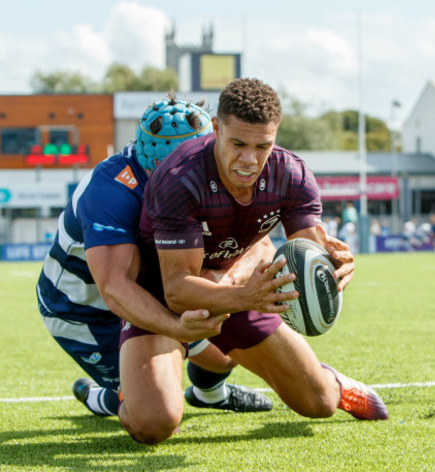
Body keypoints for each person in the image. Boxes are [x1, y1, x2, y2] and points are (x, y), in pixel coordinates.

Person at [119, 78, 388, 445]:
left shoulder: (291, 174)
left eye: (263, 146)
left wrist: (334, 265)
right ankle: (126, 395)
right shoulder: (180, 177)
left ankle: (335, 383)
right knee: (153, 424)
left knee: (319, 403)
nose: (249, 159)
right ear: (216, 129)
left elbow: (308, 252)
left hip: (242, 292)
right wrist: (244, 295)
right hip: (163, 298)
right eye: (238, 144)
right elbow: (178, 290)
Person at [35, 94, 272, 418]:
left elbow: (257, 242)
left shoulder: (217, 171)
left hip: (152, 288)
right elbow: (115, 287)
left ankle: (210, 394)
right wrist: (177, 330)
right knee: (149, 402)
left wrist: (225, 281)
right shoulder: (109, 190)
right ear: (153, 162)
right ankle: (102, 396)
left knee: (224, 353)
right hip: (85, 309)